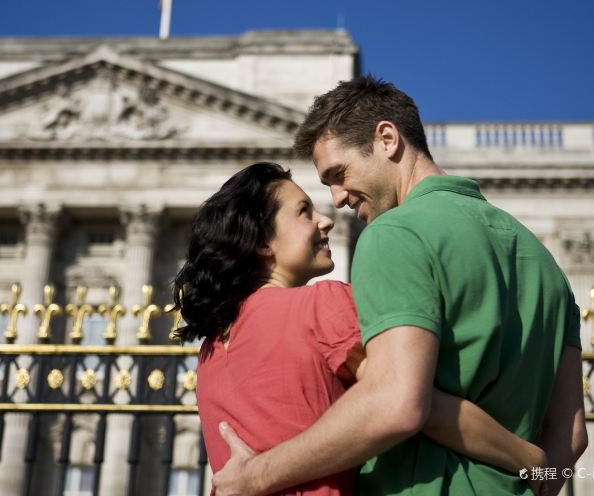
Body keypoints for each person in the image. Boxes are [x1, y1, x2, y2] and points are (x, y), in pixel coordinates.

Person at [212, 77, 588, 496]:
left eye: (339, 174)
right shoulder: (543, 261)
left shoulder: (395, 234)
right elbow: (571, 436)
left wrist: (257, 475)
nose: (336, 198)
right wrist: (536, 479)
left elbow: (396, 404)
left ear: (387, 138)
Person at [172, 162, 549, 496]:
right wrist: (528, 457)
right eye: (304, 212)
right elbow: (411, 402)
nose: (326, 220)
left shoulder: (209, 349)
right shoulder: (320, 304)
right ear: (262, 242)